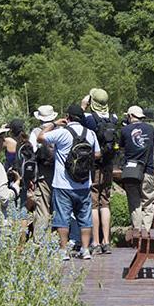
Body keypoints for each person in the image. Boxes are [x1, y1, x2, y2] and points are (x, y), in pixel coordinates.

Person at [38, 104, 101, 260]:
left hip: (62, 184)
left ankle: (63, 250)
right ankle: (85, 250)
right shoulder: (90, 133)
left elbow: (40, 137)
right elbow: (98, 154)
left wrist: (54, 124)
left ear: (68, 117)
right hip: (84, 183)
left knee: (62, 218)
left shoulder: (62, 133)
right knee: (85, 218)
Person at [82, 89, 119, 255]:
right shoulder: (114, 118)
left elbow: (75, 120)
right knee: (105, 202)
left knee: (94, 203)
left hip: (94, 165)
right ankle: (107, 242)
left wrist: (83, 105)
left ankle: (96, 242)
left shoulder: (89, 119)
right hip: (108, 165)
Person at [119, 105, 154, 231]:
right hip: (148, 170)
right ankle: (146, 231)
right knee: (148, 201)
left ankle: (137, 230)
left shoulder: (124, 130)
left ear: (130, 116)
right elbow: (152, 145)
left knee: (134, 202)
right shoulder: (150, 128)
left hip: (130, 172)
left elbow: (121, 148)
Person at [29, 106, 58, 241]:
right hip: (59, 172)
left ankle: (40, 240)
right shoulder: (60, 130)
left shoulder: (36, 132)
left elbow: (31, 152)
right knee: (58, 207)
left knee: (43, 207)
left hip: (42, 173)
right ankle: (57, 238)